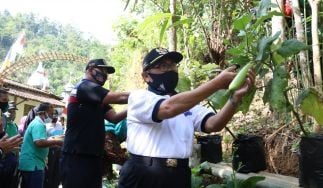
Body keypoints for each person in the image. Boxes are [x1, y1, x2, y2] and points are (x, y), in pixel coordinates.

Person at [117, 47, 256, 188]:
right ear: (146, 76)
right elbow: (167, 108)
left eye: (172, 65)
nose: (170, 70)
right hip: (143, 175)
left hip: (179, 175)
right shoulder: (139, 97)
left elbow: (213, 124)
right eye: (163, 66)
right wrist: (216, 83)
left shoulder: (186, 103)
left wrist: (235, 98)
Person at [60, 58, 129, 188]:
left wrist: (134, 106)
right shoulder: (85, 87)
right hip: (77, 156)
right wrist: (144, 96)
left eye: (106, 73)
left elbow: (114, 117)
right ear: (91, 70)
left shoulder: (96, 98)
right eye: (102, 70)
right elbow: (118, 97)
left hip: (93, 156)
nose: (105, 75)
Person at [19, 102, 63, 188]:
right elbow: (39, 142)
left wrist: (56, 145)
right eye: (51, 113)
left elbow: (41, 142)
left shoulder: (37, 123)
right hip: (33, 165)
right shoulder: (38, 124)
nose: (52, 116)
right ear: (44, 113)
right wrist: (57, 141)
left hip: (32, 164)